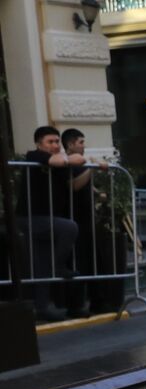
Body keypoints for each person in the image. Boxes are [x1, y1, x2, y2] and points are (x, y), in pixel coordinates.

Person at [17, 126, 84, 321]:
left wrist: (92, 168)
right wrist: (74, 159)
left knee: (41, 264)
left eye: (57, 141)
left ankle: (42, 307)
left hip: (47, 220)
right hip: (30, 218)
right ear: (39, 144)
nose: (55, 145)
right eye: (50, 142)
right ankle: (58, 266)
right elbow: (62, 160)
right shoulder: (34, 156)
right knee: (69, 227)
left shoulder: (60, 165)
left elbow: (73, 185)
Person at [61, 127, 111, 318]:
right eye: (80, 142)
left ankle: (98, 300)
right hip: (74, 219)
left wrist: (97, 193)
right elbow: (74, 185)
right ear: (71, 144)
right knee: (78, 260)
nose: (83, 146)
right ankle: (76, 304)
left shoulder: (81, 163)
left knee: (93, 259)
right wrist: (92, 167)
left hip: (86, 218)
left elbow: (84, 184)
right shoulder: (67, 164)